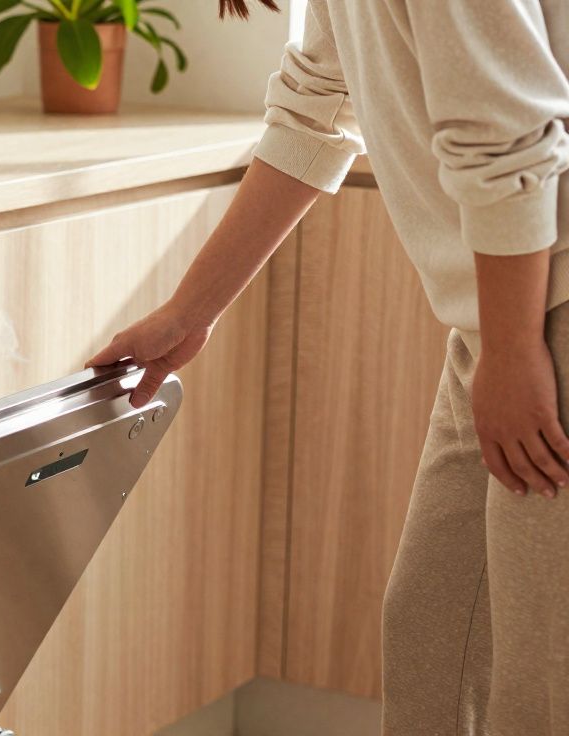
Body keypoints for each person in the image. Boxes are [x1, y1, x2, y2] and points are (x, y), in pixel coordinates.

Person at [87, 0, 569, 732]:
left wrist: (509, 352)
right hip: (502, 324)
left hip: (537, 320)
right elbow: (316, 108)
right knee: (431, 638)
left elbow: (510, 135)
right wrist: (190, 312)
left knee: (542, 685)